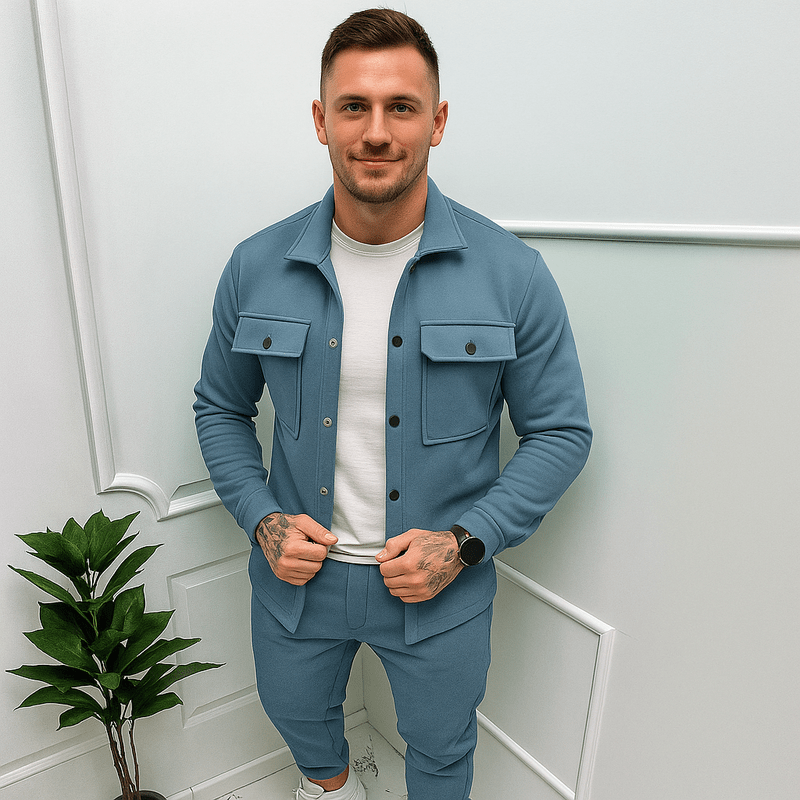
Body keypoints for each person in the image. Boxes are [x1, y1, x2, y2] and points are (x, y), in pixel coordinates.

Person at [194, 9, 591, 800]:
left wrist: (465, 542)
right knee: (296, 715)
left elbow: (560, 432)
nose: (376, 132)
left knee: (442, 751)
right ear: (322, 120)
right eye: (355, 106)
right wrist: (262, 519)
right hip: (297, 584)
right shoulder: (254, 266)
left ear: (436, 122)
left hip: (441, 588)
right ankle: (336, 786)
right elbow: (219, 408)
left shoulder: (513, 274)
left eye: (401, 107)